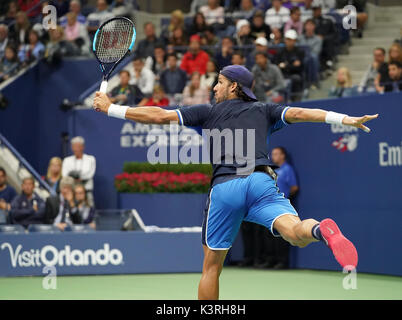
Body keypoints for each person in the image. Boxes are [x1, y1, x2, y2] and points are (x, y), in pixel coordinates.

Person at [93, 64, 378, 300]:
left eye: (218, 82)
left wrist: (111, 109)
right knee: (294, 233)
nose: (213, 87)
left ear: (233, 87)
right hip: (260, 182)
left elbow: (159, 115)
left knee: (211, 268)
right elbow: (303, 113)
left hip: (226, 187)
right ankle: (320, 229)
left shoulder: (206, 112)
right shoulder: (266, 110)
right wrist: (345, 119)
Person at [62, 136, 96, 206]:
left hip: (86, 191)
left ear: (83, 147)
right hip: (71, 191)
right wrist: (77, 178)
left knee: (89, 213)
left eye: (78, 146)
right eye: (74, 146)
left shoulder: (91, 159)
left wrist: (75, 176)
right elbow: (65, 175)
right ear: (72, 147)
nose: (76, 149)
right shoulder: (67, 160)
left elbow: (89, 175)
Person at [275, 29, 304, 101]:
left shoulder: (299, 52)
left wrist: (286, 66)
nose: (288, 41)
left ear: (294, 41)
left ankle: (296, 99)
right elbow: (277, 65)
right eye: (287, 39)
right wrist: (292, 65)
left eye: (290, 40)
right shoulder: (281, 52)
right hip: (282, 75)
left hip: (294, 75)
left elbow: (299, 67)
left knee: (296, 78)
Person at [298, 18, 322, 88]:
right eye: (307, 25)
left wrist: (306, 53)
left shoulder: (318, 39)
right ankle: (312, 81)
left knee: (313, 57)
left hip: (312, 58)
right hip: (302, 58)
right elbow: (298, 50)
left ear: (314, 27)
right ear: (305, 27)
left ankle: (312, 81)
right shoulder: (300, 38)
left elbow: (316, 51)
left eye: (311, 25)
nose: (309, 27)